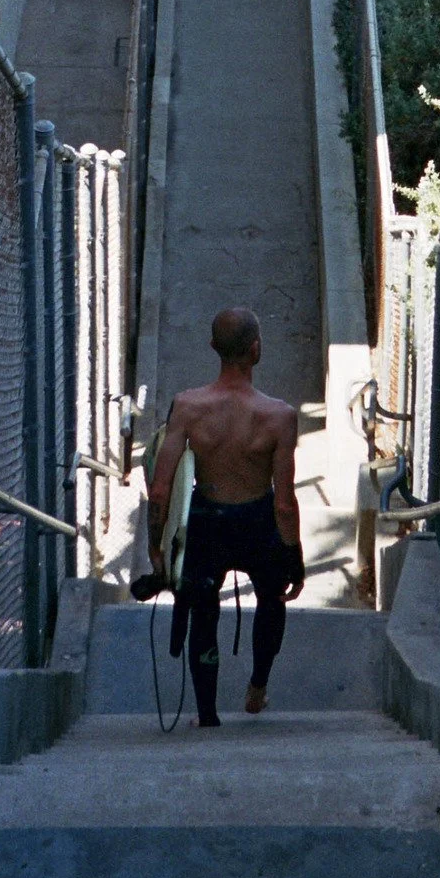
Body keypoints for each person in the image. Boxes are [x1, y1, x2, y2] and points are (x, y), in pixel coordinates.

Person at [146, 308, 304, 726]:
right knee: (271, 601)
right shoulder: (280, 416)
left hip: (207, 522)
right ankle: (257, 688)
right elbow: (285, 502)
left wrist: (156, 547)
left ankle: (207, 715)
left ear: (213, 347)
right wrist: (294, 556)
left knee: (203, 610)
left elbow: (160, 489)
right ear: (256, 349)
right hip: (258, 521)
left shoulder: (186, 407)